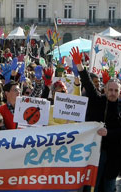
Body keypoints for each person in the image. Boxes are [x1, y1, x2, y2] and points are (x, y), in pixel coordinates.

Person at [71, 46, 121, 191]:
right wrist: (80, 66)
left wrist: (109, 133)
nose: (112, 93)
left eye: (116, 90)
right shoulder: (98, 100)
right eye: (110, 90)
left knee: (109, 187)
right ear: (104, 89)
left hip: (114, 156)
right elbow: (87, 83)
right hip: (94, 153)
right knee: (92, 186)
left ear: (119, 92)